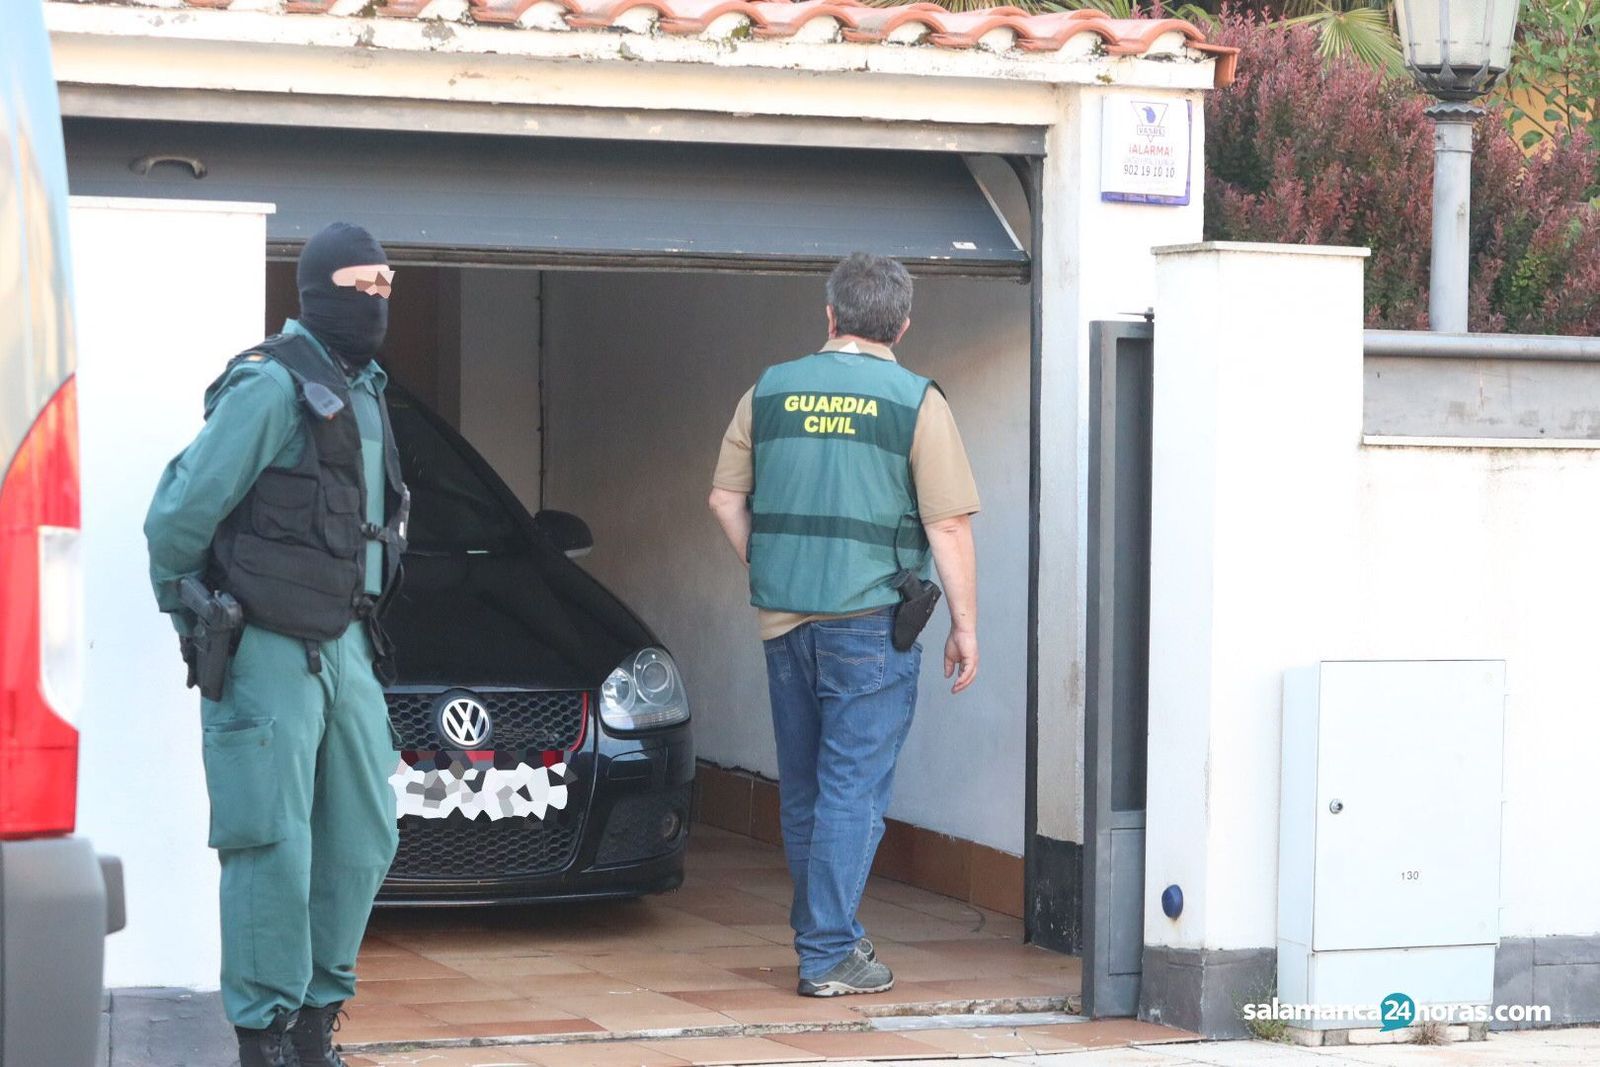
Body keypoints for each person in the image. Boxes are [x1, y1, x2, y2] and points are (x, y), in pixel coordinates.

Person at [144, 222, 410, 1067]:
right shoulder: (268, 386)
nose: (378, 301)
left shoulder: (366, 388)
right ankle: (264, 1035)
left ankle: (313, 1019)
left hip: (350, 643)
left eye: (387, 286)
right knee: (271, 840)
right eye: (363, 285)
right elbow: (176, 519)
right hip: (265, 646)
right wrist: (197, 617)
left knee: (364, 832)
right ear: (322, 287)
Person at [708, 252, 980, 998]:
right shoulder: (915, 399)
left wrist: (773, 570)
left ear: (829, 316)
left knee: (806, 790)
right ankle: (827, 952)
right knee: (851, 791)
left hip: (783, 622)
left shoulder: (767, 390)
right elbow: (948, 525)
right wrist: (965, 626)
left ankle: (826, 936)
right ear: (902, 324)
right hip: (870, 625)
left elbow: (726, 501)